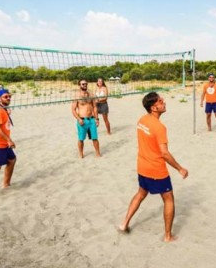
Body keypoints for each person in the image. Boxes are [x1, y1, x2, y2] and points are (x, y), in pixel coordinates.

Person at [118, 92, 189, 242]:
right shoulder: (159, 127)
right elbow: (164, 153)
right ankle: (168, 236)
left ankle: (124, 224)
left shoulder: (141, 120)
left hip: (142, 166)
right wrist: (180, 168)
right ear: (153, 107)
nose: (164, 102)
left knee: (141, 194)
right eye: (160, 101)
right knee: (169, 199)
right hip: (156, 170)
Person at [71, 79, 101, 158]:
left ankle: (98, 153)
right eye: (83, 84)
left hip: (91, 120)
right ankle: (81, 154)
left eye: (86, 84)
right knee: (81, 139)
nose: (85, 85)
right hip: (82, 120)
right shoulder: (76, 96)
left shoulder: (91, 94)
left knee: (95, 138)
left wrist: (97, 119)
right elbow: (73, 110)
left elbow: (95, 107)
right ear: (79, 85)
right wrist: (79, 119)